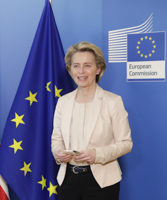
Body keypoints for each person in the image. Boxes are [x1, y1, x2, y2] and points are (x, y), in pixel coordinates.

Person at [51, 41, 133, 200]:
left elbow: (126, 143)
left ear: (98, 69)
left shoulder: (113, 102)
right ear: (70, 70)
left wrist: (97, 154)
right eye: (76, 66)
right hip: (67, 180)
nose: (81, 71)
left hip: (102, 181)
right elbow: (56, 139)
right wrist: (58, 152)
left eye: (87, 65)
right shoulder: (63, 102)